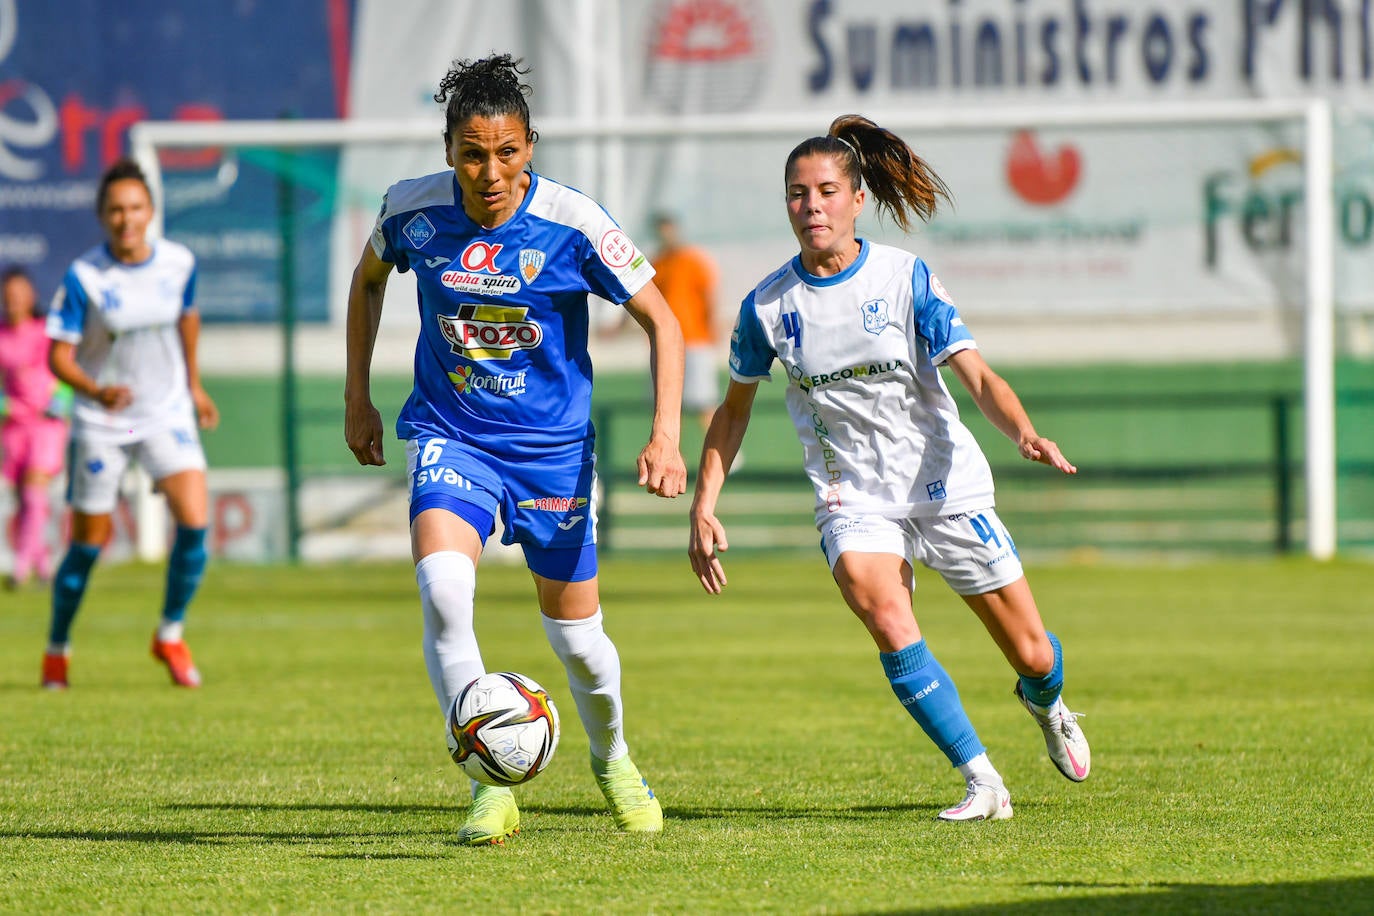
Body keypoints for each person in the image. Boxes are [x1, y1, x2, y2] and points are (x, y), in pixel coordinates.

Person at [687, 115, 1090, 822]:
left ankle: (1046, 700)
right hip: (853, 496)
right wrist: (704, 501)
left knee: (1031, 651)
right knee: (880, 607)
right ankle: (982, 780)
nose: (811, 206)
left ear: (856, 198)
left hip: (944, 485)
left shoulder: (906, 278)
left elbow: (979, 377)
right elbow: (733, 410)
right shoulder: (767, 306)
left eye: (826, 191)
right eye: (796, 194)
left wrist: (1025, 433)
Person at [344, 54, 686, 846]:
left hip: (553, 454)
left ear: (530, 146)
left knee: (579, 644)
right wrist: (357, 396)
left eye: (506, 152)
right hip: (450, 433)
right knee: (442, 592)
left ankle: (613, 760)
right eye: (472, 152)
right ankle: (487, 782)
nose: (489, 170)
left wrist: (665, 435)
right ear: (449, 151)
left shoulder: (573, 224)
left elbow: (663, 322)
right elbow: (367, 282)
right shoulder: (411, 212)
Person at [41, 158, 220, 690]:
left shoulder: (178, 263)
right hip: (102, 421)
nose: (126, 219)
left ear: (151, 211)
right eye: (116, 210)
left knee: (195, 522)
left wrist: (193, 384)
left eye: (135, 208)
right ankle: (57, 648)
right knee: (87, 545)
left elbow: (187, 316)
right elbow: (59, 357)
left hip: (165, 412)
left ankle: (169, 633)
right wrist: (95, 390)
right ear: (102, 216)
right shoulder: (85, 276)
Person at [1, 266, 69, 590]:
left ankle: (20, 568)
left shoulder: (46, 332)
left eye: (19, 293)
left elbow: (66, 370)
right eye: (8, 293)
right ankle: (43, 564)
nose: (14, 299)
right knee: (23, 500)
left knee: (34, 490)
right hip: (15, 425)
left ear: (31, 296)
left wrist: (60, 402)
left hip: (45, 423)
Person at [648, 213, 719, 434]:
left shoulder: (692, 261)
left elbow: (709, 295)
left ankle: (723, 457)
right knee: (668, 405)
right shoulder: (657, 263)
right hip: (666, 342)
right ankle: (674, 458)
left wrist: (712, 329)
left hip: (695, 340)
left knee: (704, 401)